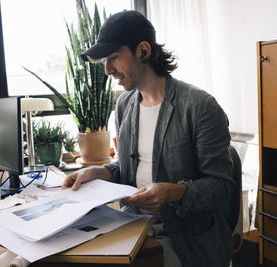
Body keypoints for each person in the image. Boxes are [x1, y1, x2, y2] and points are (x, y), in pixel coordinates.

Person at [63, 10, 235, 267]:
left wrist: (173, 193)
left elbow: (222, 187)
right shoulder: (125, 105)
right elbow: (129, 168)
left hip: (185, 240)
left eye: (113, 58)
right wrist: (100, 172)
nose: (108, 70)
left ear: (142, 51)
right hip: (133, 228)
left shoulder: (200, 106)